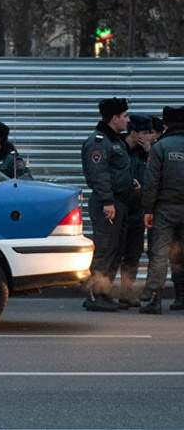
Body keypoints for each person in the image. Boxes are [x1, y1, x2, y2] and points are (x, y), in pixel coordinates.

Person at [80, 97, 133, 312]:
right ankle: (94, 294)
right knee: (104, 249)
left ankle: (105, 291)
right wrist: (107, 201)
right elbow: (98, 174)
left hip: (119, 202)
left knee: (116, 249)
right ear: (114, 118)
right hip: (107, 205)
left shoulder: (116, 141)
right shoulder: (99, 142)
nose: (128, 120)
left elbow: (118, 171)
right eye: (125, 116)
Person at [140, 106, 184, 314]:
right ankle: (181, 297)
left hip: (165, 209)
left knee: (159, 254)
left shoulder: (161, 147)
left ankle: (154, 300)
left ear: (166, 125)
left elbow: (151, 182)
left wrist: (148, 209)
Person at [115, 114, 154, 307]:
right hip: (119, 208)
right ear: (134, 133)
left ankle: (126, 293)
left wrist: (148, 151)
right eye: (146, 133)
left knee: (133, 253)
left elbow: (155, 177)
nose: (149, 136)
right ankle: (99, 292)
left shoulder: (146, 153)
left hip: (138, 210)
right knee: (114, 252)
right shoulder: (119, 149)